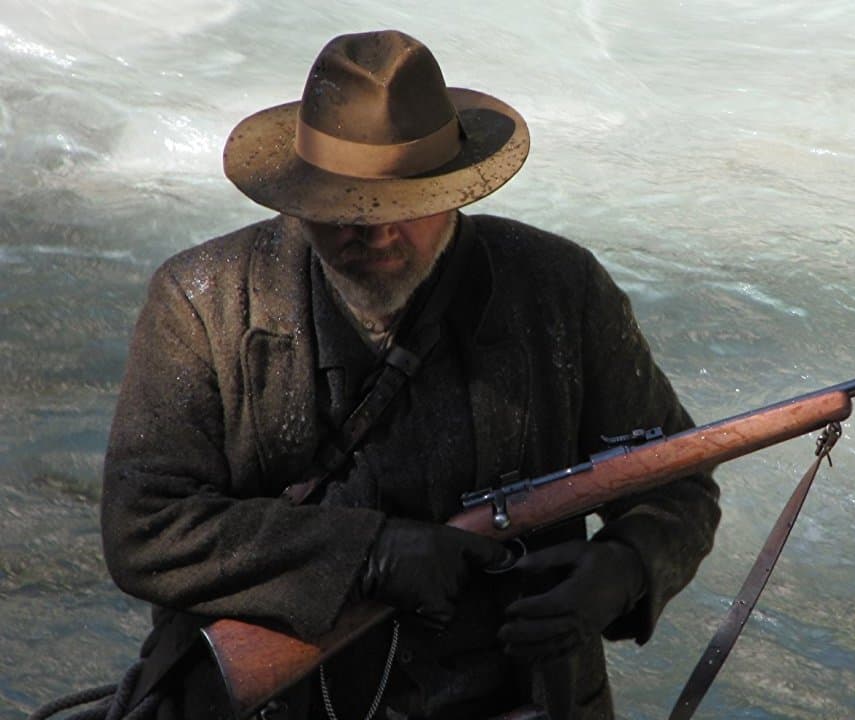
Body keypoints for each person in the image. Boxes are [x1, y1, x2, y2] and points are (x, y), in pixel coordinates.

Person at [99, 29, 720, 720]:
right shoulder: (202, 302)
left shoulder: (560, 289)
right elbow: (144, 527)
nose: (374, 231)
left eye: (401, 205)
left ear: (453, 190)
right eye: (343, 208)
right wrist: (368, 554)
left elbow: (678, 483)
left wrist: (624, 568)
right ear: (300, 197)